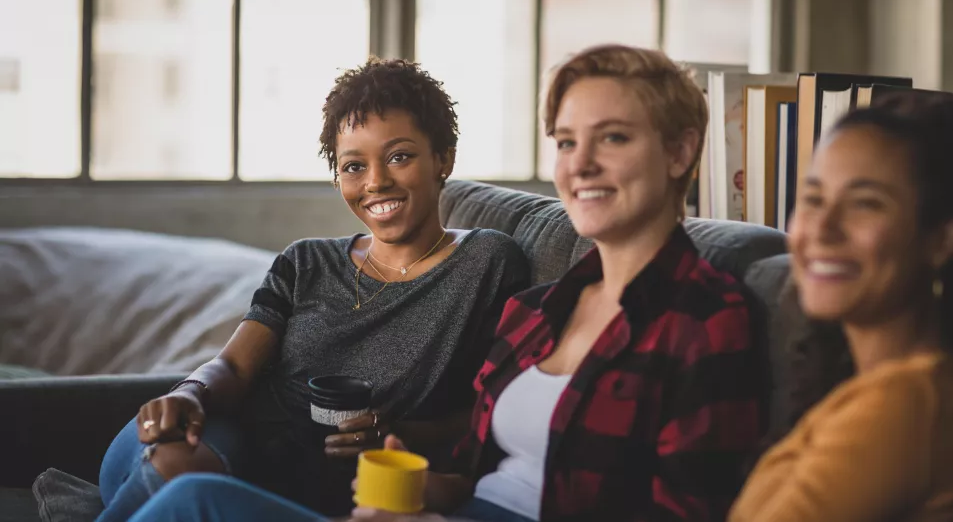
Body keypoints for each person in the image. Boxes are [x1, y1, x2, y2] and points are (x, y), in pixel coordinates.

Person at [122, 44, 766, 522]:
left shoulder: (705, 318)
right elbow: (473, 466)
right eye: (566, 142)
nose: (581, 165)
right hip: (373, 497)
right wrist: (419, 492)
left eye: (613, 138)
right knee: (180, 479)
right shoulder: (541, 314)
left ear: (681, 153)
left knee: (190, 499)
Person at [93, 58, 531, 521]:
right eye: (354, 166)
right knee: (176, 468)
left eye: (399, 156)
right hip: (220, 445)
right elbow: (234, 367)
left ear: (443, 158)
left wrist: (400, 431)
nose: (376, 181)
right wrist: (188, 393)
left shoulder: (487, 262)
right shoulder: (306, 261)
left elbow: (494, 408)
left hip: (335, 487)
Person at [729, 94, 953, 521]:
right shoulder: (861, 386)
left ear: (940, 239)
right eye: (813, 199)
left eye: (865, 203)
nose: (823, 229)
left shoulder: (905, 403)